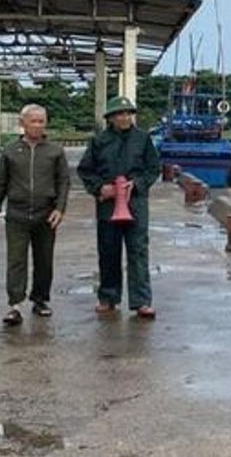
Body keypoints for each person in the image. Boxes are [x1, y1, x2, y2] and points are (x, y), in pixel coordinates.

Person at [76, 95, 160, 319]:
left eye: (128, 113)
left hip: (135, 203)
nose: (125, 118)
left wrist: (138, 184)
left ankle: (141, 301)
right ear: (110, 118)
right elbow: (85, 170)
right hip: (108, 205)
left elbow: (153, 168)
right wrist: (99, 188)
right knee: (108, 250)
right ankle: (108, 297)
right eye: (120, 114)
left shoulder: (143, 139)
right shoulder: (99, 141)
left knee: (138, 250)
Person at [0, 103, 70, 326]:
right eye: (33, 121)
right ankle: (15, 305)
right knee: (16, 260)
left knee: (44, 260)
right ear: (22, 123)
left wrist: (60, 208)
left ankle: (40, 299)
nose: (37, 126)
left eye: (41, 121)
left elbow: (63, 182)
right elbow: (0, 183)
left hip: (46, 214)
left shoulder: (55, 151)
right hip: (17, 214)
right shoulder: (10, 151)